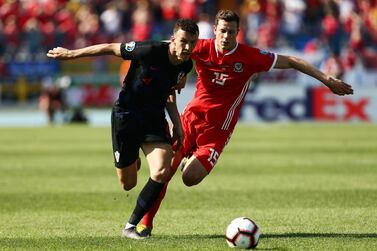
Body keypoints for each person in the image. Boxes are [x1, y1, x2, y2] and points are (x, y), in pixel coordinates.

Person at [138, 9, 354, 237]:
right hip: (190, 120)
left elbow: (292, 61)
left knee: (190, 178)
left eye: (231, 32)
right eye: (222, 31)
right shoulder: (200, 47)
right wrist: (175, 73)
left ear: (238, 32)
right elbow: (166, 48)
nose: (226, 36)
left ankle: (189, 160)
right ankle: (145, 223)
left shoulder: (250, 57)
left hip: (218, 132)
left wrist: (327, 80)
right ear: (215, 31)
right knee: (165, 172)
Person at [46, 19, 199, 239]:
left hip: (153, 119)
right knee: (128, 184)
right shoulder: (149, 50)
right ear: (173, 39)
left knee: (162, 170)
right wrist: (71, 54)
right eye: (183, 41)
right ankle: (131, 157)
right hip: (126, 115)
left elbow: (169, 92)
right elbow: (110, 48)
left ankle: (130, 227)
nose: (187, 47)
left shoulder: (186, 65)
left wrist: (176, 121)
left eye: (192, 43)